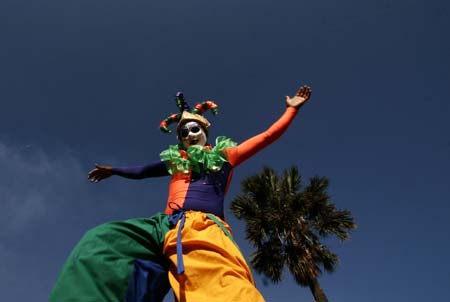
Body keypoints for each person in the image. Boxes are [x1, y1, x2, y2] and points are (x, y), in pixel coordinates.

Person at [50, 85, 312, 302]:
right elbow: (143, 170)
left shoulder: (226, 156)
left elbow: (267, 136)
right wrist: (115, 170)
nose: (188, 133)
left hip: (203, 227)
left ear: (205, 130)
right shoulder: (176, 161)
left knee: (222, 290)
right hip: (162, 226)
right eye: (184, 132)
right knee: (101, 242)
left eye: (194, 128)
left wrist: (291, 109)